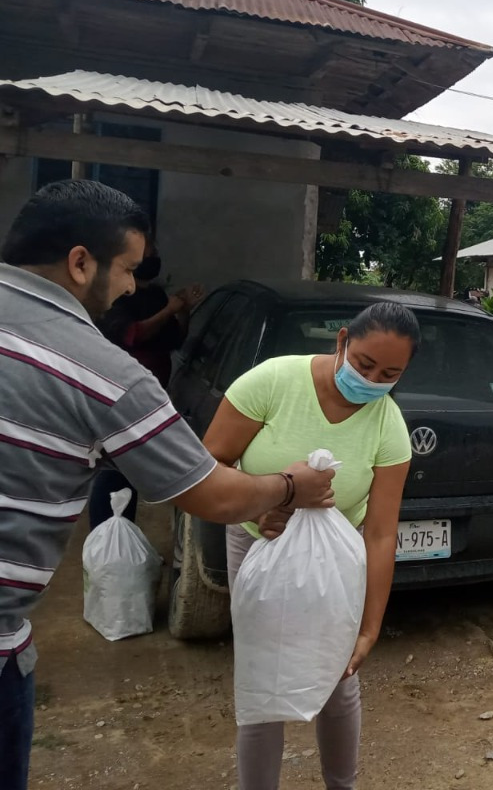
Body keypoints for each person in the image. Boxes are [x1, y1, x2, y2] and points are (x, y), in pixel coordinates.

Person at [0, 181, 335, 790]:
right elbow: (212, 493)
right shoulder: (103, 372)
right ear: (80, 262)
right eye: (129, 269)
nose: (132, 286)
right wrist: (292, 486)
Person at [202, 301, 417, 790]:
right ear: (342, 341)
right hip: (259, 547)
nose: (372, 381)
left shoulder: (388, 424)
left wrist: (369, 628)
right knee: (263, 681)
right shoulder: (272, 382)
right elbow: (210, 467)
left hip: (336, 564)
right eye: (364, 364)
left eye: (389, 374)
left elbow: (381, 533)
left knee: (339, 681)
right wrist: (260, 505)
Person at [88, 239, 204, 528]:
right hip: (121, 392)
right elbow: (132, 334)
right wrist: (168, 310)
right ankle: (105, 535)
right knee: (113, 465)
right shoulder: (116, 297)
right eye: (150, 252)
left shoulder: (155, 295)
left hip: (151, 391)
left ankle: (122, 531)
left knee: (132, 466)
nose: (155, 256)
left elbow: (175, 339)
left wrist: (183, 310)